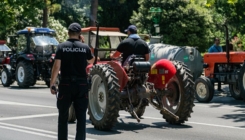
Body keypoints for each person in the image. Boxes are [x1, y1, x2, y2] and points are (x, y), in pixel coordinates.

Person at [50, 22, 95, 140]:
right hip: (81, 85)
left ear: (68, 33)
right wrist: (84, 45)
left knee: (63, 117)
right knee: (81, 118)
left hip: (65, 84)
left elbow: (56, 66)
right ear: (80, 34)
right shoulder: (84, 48)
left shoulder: (61, 47)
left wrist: (52, 83)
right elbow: (92, 61)